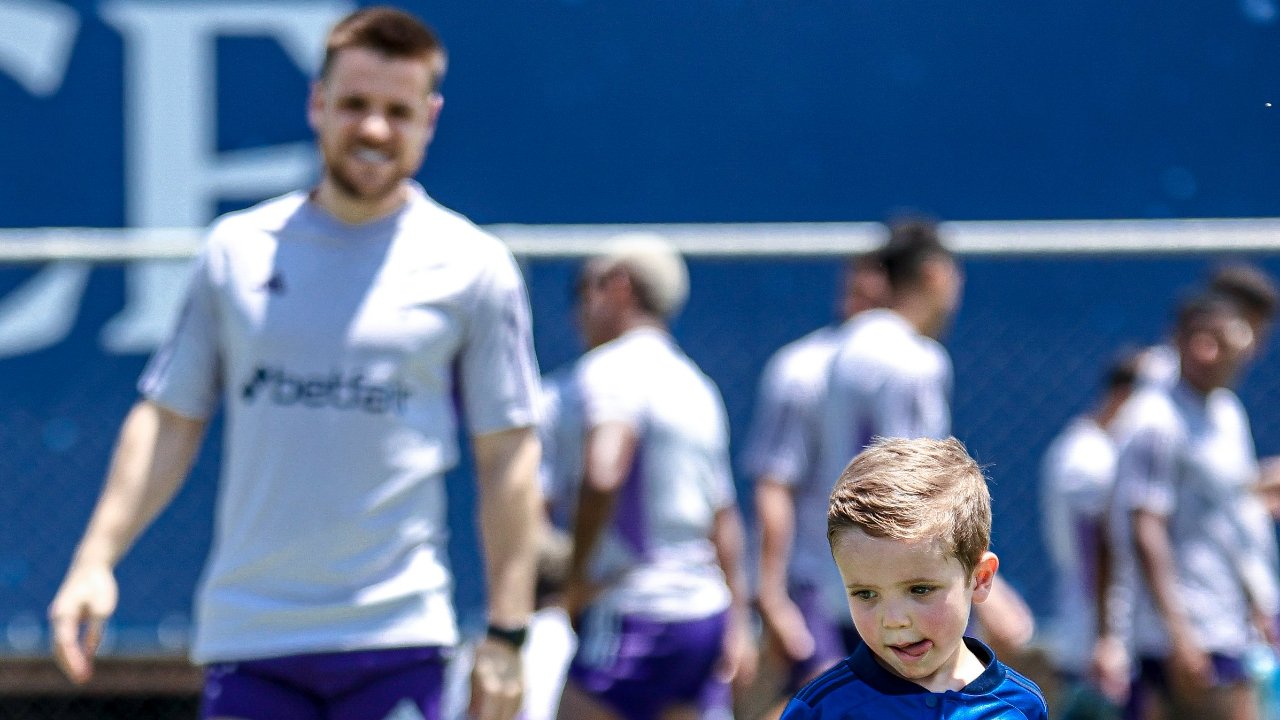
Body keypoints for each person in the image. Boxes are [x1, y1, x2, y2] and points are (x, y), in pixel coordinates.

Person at [47, 8, 543, 720]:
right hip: (254, 639)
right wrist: (95, 560)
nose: (374, 130)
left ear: (430, 118)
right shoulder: (236, 250)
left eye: (397, 112)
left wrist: (508, 632)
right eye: (354, 105)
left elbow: (508, 457)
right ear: (316, 103)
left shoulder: (474, 267)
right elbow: (168, 421)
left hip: (397, 637)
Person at [551, 234, 756, 720]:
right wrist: (738, 621)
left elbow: (604, 473)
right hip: (702, 614)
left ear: (619, 287)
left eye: (587, 288)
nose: (577, 310)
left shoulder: (609, 369)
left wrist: (575, 581)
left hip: (635, 611)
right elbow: (723, 519)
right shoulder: (696, 385)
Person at [814, 218, 1035, 663]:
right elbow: (918, 488)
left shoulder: (844, 349)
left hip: (855, 578)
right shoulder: (917, 361)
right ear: (936, 275)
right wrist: (991, 591)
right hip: (910, 588)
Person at [780, 436, 1049, 719]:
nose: (894, 619)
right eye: (866, 594)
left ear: (980, 579)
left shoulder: (1020, 706)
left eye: (920, 589)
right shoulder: (821, 709)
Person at [1106, 293, 1273, 720]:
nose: (1206, 352)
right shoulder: (1153, 419)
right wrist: (1180, 633)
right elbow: (1145, 529)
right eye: (1197, 339)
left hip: (1227, 622)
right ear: (1176, 341)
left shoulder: (1226, 413)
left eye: (1218, 340)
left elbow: (1231, 519)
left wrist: (1256, 600)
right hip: (1180, 634)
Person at [741, 252, 888, 717]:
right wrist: (770, 592)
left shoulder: (907, 364)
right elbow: (773, 485)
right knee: (820, 697)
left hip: (890, 582)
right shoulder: (802, 369)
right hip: (818, 582)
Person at [1039, 351, 1141, 717]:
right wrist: (1107, 638)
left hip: (1093, 636)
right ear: (1123, 396)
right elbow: (1093, 554)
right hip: (1098, 644)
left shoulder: (1086, 449)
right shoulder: (1091, 460)